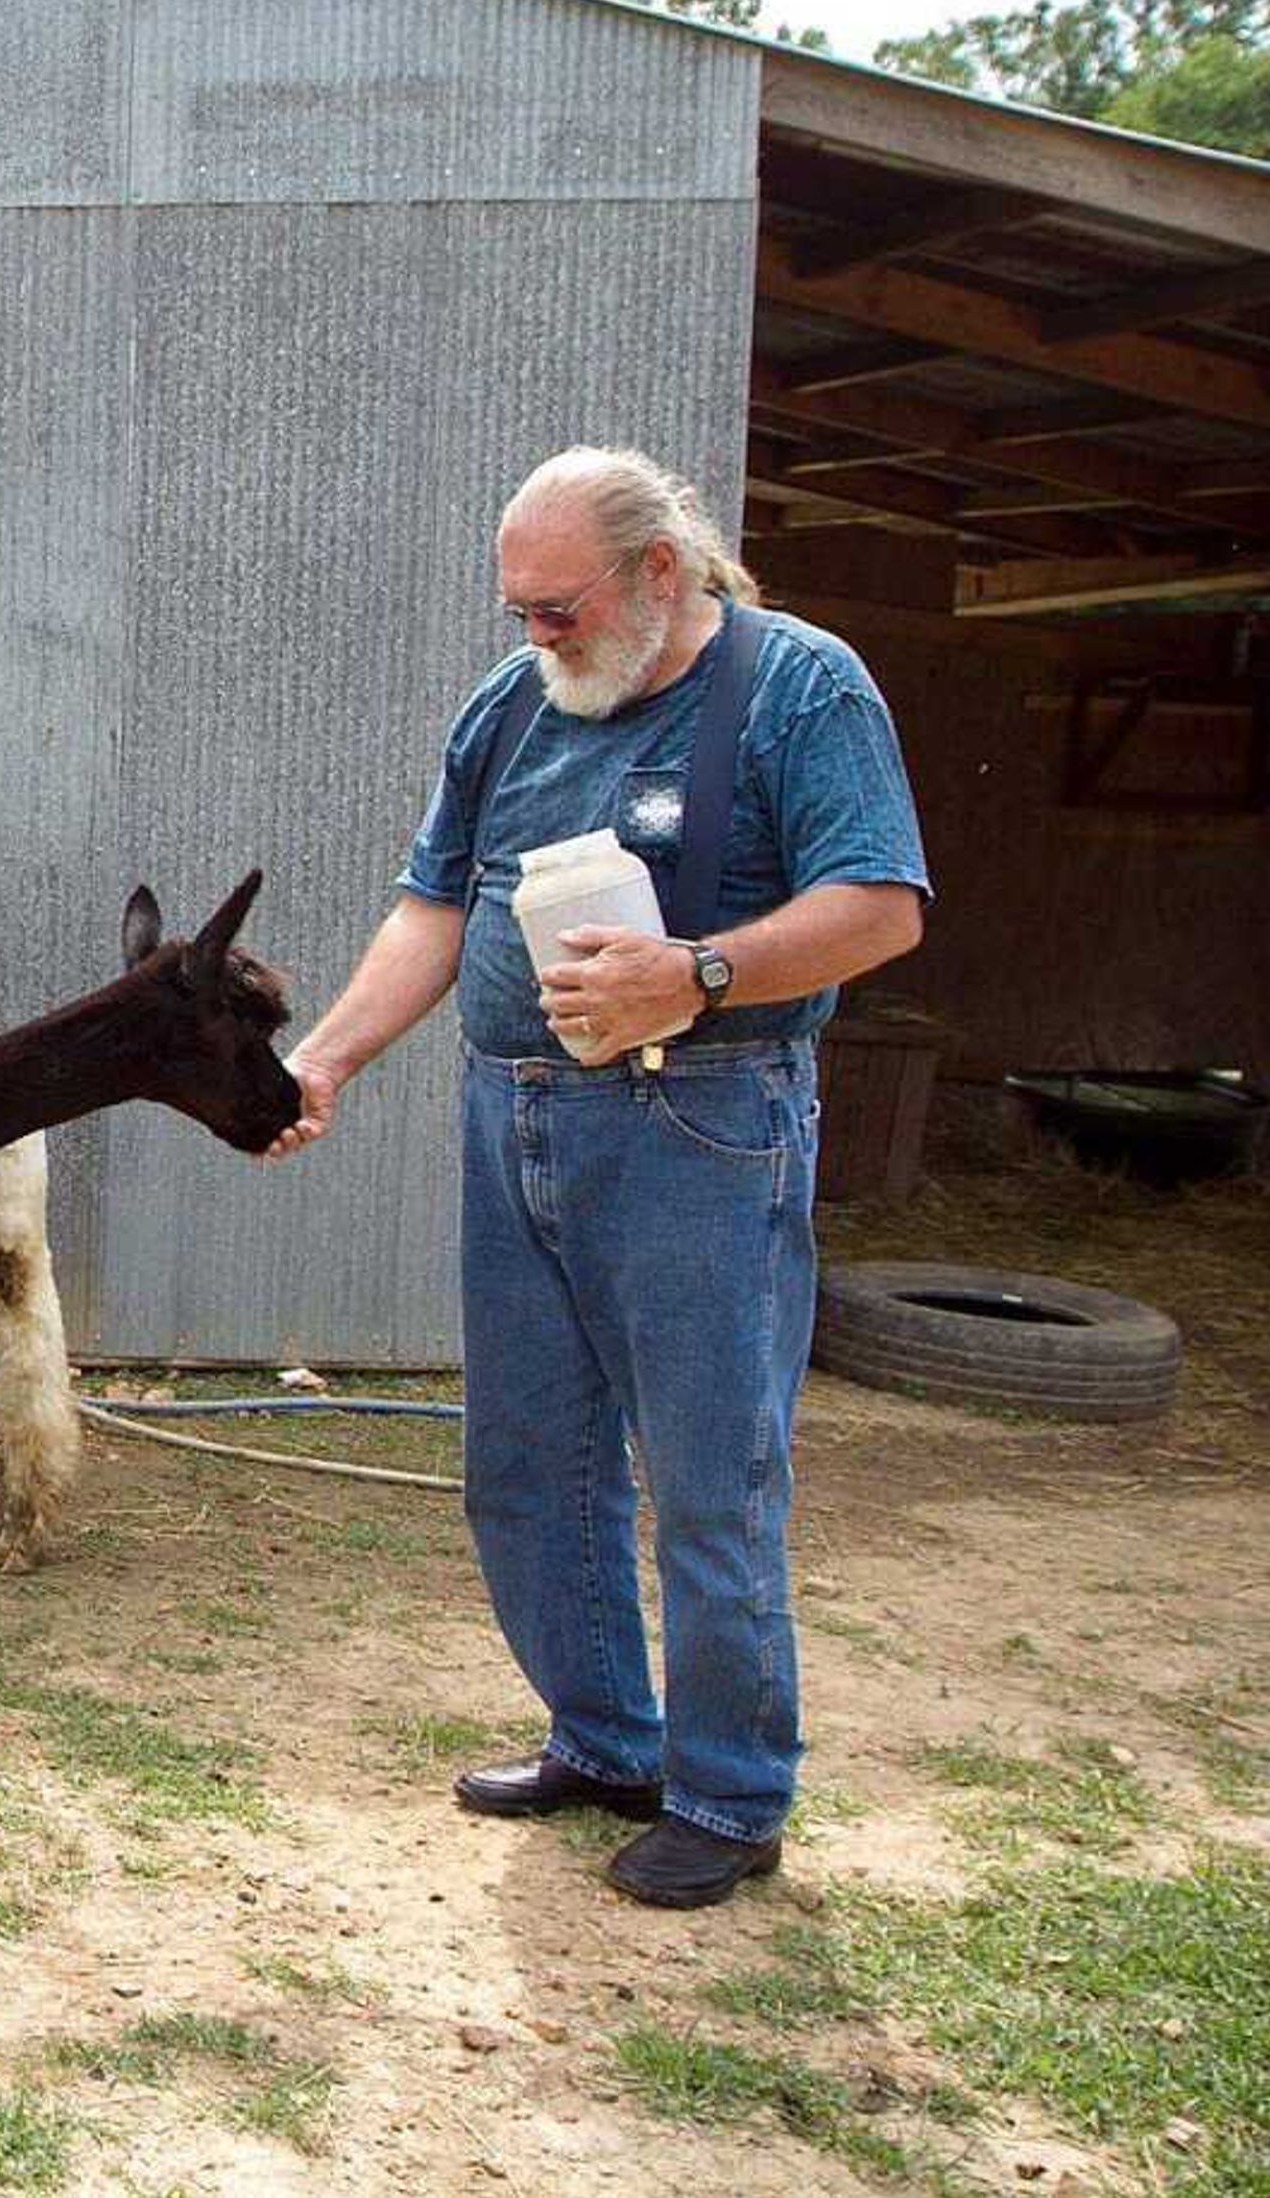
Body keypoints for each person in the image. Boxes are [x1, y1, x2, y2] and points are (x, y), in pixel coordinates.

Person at [269, 447, 929, 1909]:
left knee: (709, 1474)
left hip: (701, 1118)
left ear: (660, 574)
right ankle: (608, 1738)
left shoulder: (799, 688)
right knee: (527, 1459)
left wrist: (697, 971)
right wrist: (326, 1059)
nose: (535, 637)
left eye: (558, 608)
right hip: (515, 1117)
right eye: (518, 611)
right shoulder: (516, 707)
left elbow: (880, 906)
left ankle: (731, 1792)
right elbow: (438, 907)